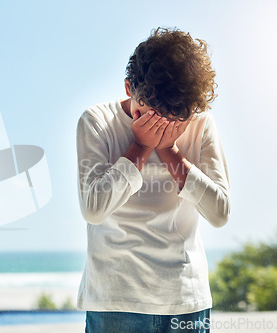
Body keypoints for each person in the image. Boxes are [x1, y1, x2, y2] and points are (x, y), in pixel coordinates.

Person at [76, 27, 230, 333]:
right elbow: (93, 209)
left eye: (174, 120)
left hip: (186, 299)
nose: (162, 125)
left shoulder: (200, 123)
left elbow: (220, 213)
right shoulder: (96, 122)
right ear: (128, 87)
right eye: (150, 114)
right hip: (116, 302)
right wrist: (141, 146)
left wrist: (170, 151)